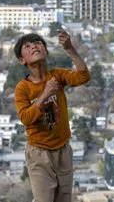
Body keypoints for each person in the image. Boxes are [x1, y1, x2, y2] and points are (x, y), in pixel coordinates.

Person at [14, 30, 90, 202]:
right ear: (22, 60)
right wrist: (46, 94)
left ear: (46, 51)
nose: (34, 46)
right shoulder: (23, 88)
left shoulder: (57, 75)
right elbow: (26, 118)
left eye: (38, 43)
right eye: (27, 46)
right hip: (39, 152)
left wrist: (70, 49)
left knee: (64, 198)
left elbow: (83, 76)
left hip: (63, 149)